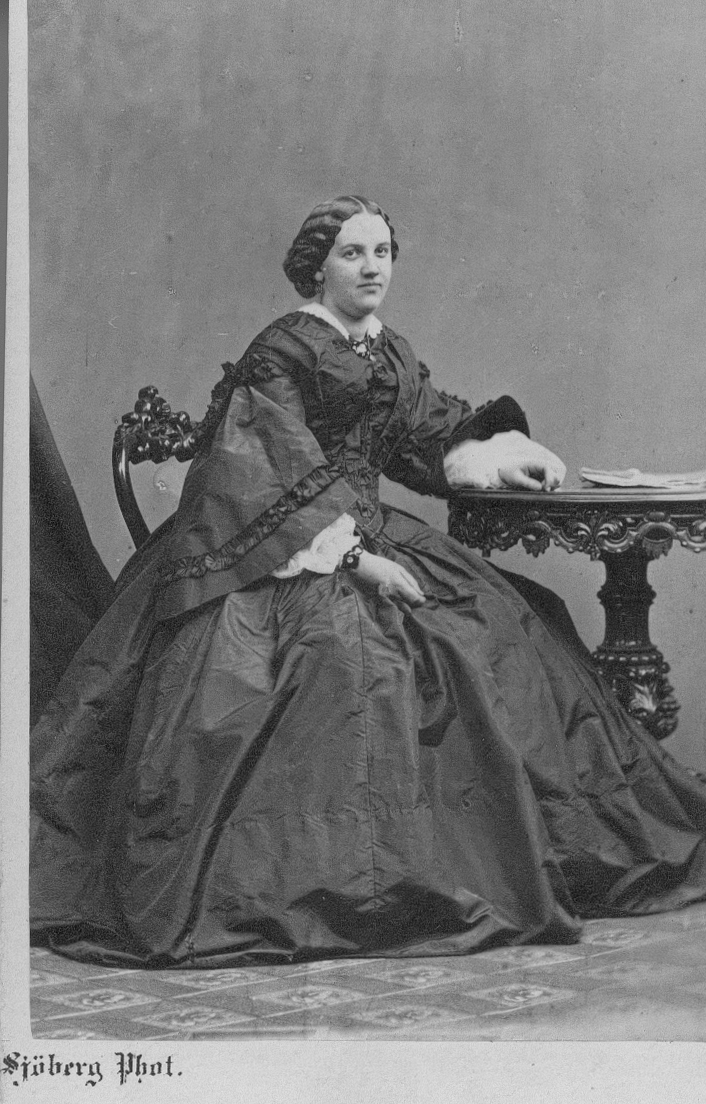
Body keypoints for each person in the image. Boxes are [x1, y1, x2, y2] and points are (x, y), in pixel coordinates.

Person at [30, 196, 706, 969]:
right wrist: (356, 559)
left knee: (510, 622)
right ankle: (351, 884)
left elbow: (427, 434)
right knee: (343, 660)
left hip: (373, 528)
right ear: (316, 267)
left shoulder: (387, 351)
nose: (372, 267)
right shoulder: (283, 349)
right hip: (280, 549)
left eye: (382, 252)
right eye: (353, 253)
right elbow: (263, 467)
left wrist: (494, 455)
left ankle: (508, 858)